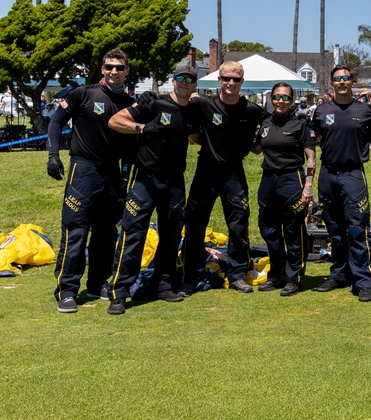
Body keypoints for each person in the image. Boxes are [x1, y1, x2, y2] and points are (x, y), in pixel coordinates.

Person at [47, 50, 136, 313]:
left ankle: (98, 284)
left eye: (119, 68)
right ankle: (67, 291)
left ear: (127, 71)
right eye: (109, 67)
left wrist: (125, 172)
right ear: (102, 68)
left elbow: (131, 143)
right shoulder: (82, 93)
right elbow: (56, 121)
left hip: (113, 174)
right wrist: (53, 156)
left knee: (107, 232)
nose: (114, 71)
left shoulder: (131, 104)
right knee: (75, 230)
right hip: (82, 171)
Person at [106, 64, 199, 314]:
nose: (184, 82)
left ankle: (164, 286)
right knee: (133, 232)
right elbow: (115, 120)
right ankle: (119, 292)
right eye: (180, 77)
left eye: (190, 79)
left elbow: (196, 135)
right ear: (173, 80)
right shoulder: (153, 103)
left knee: (171, 234)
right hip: (145, 178)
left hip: (175, 180)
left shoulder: (193, 110)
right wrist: (143, 127)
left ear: (194, 85)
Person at [180, 60, 269, 296]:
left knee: (238, 225)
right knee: (195, 225)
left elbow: (273, 121)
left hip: (234, 174)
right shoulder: (203, 104)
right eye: (226, 78)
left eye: (236, 79)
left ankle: (237, 275)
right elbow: (179, 107)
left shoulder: (251, 109)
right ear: (219, 80)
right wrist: (196, 138)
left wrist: (258, 144)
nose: (231, 83)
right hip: (206, 171)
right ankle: (190, 277)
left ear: (242, 81)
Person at [312, 65, 371, 302]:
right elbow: (318, 135)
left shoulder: (365, 110)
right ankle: (339, 274)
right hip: (328, 173)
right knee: (334, 229)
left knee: (356, 227)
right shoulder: (321, 111)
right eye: (337, 79)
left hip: (353, 174)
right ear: (332, 83)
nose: (342, 82)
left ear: (352, 82)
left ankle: (362, 280)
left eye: (345, 78)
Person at [254, 82, 316, 297]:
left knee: (293, 229)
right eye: (277, 97)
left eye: (286, 98)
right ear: (272, 99)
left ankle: (294, 278)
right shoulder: (265, 122)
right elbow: (255, 148)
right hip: (268, 179)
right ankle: (276, 274)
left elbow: (311, 157)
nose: (281, 101)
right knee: (268, 228)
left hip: (292, 178)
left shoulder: (299, 123)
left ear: (292, 100)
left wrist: (308, 187)